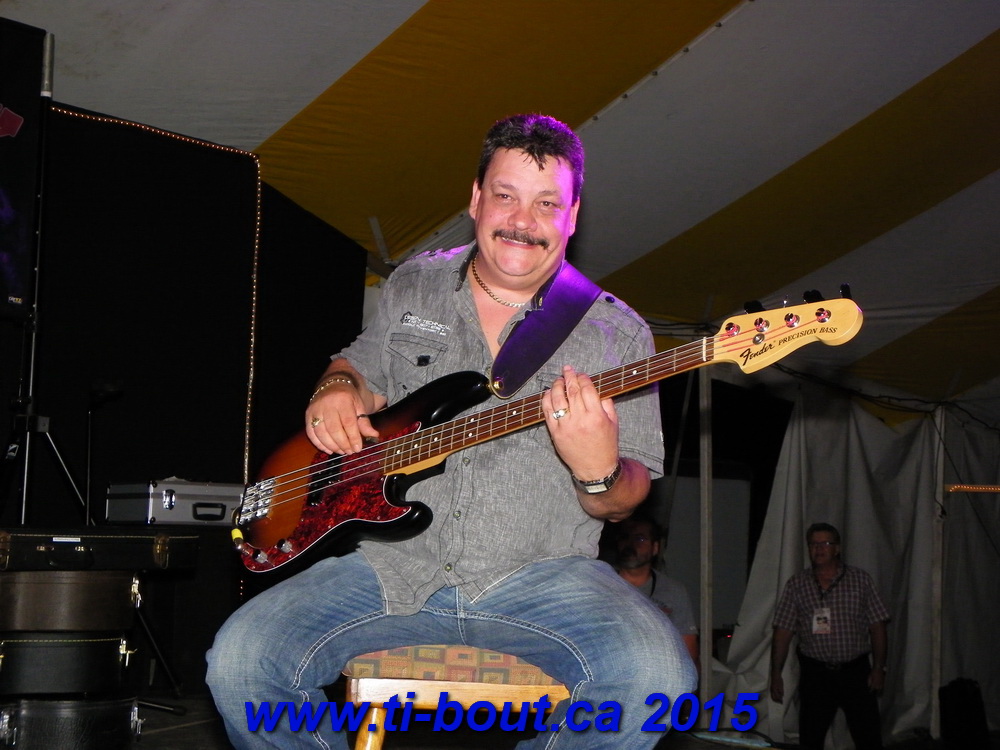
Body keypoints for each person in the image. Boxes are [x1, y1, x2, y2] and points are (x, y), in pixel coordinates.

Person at [207, 113, 696, 749]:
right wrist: (336, 388)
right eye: (506, 195)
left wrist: (598, 471)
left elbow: (626, 496)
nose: (523, 220)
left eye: (547, 203)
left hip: (546, 579)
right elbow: (359, 363)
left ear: (572, 216)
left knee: (658, 680)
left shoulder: (618, 334)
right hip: (391, 570)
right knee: (241, 663)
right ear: (475, 199)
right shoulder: (417, 283)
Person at [769, 522, 889, 750]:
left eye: (825, 543)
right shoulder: (797, 584)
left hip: (855, 671)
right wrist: (775, 673)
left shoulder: (860, 580)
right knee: (811, 737)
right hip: (816, 673)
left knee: (868, 736)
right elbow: (783, 631)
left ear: (837, 548)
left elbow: (878, 626)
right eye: (813, 544)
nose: (819, 549)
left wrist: (878, 668)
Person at [613, 515, 700, 676]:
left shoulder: (672, 591)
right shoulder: (601, 585)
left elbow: (689, 652)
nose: (630, 544)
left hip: (658, 677)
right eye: (624, 537)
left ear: (655, 548)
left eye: (639, 539)